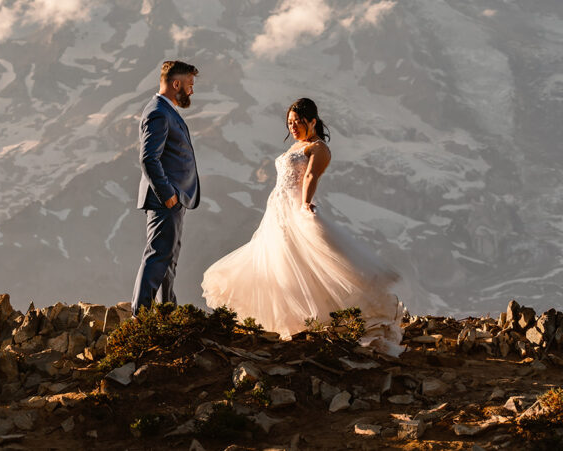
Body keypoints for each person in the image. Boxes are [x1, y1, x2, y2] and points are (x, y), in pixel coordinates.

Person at [201, 98, 402, 354]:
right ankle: (286, 324)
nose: (293, 127)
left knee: (301, 263)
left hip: (294, 208)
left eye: (298, 122)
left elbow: (310, 176)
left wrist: (305, 203)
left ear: (313, 121)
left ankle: (315, 320)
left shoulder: (319, 148)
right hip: (277, 211)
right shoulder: (297, 145)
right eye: (290, 122)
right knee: (278, 264)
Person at [131, 60, 200, 312]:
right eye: (190, 85)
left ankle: (167, 312)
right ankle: (142, 316)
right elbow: (148, 158)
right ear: (176, 84)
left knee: (168, 259)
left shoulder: (166, 110)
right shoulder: (158, 112)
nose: (192, 91)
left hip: (174, 199)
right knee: (158, 256)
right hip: (165, 199)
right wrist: (168, 194)